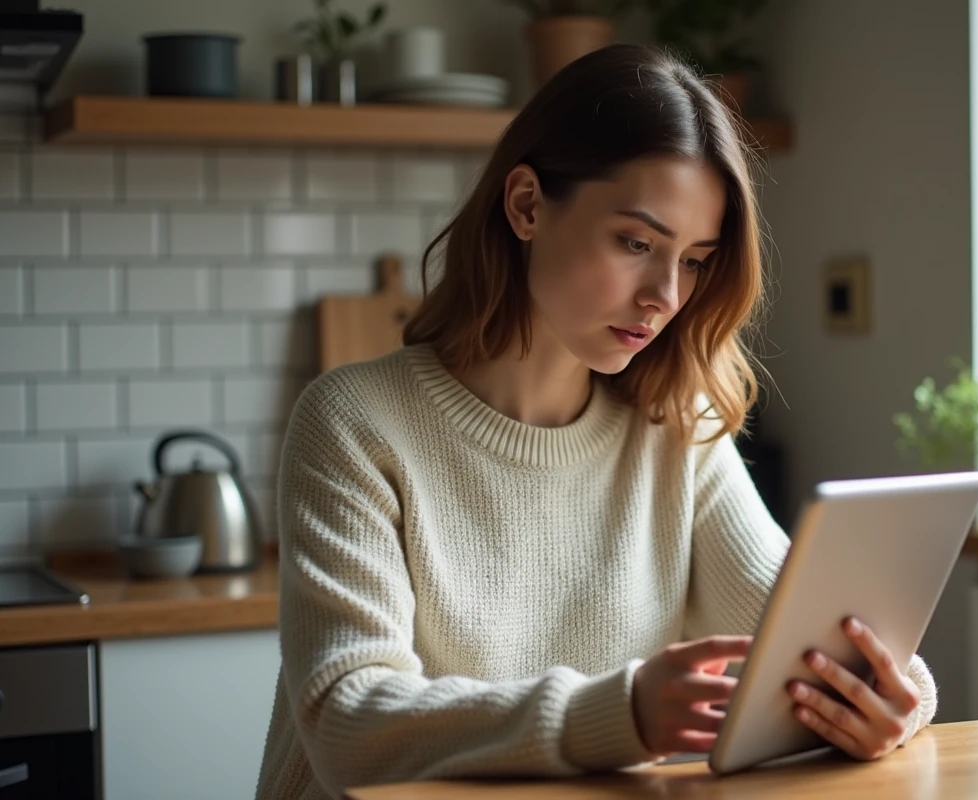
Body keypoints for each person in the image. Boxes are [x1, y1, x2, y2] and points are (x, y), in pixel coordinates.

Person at [255, 43, 937, 800]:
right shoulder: (355, 423)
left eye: (694, 260)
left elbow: (808, 635)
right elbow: (347, 724)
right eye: (637, 243)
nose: (665, 296)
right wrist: (620, 713)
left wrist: (894, 700)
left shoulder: (673, 425)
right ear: (526, 206)